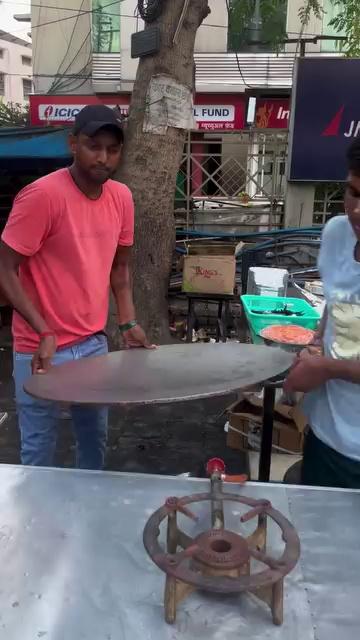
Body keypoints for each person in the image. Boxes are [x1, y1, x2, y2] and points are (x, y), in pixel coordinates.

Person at [0, 104, 152, 470]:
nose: (102, 158)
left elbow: (120, 269)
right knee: (38, 450)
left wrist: (128, 324)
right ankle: (36, 524)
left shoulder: (122, 198)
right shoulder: (42, 196)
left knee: (93, 443)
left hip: (92, 344)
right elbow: (5, 269)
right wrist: (43, 330)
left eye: (112, 150)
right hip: (40, 349)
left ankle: (87, 521)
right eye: (93, 146)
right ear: (73, 144)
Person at [284, 138, 360, 489]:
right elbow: (336, 298)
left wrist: (327, 369)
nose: (357, 211)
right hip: (326, 437)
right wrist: (316, 341)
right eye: (354, 193)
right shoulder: (337, 234)